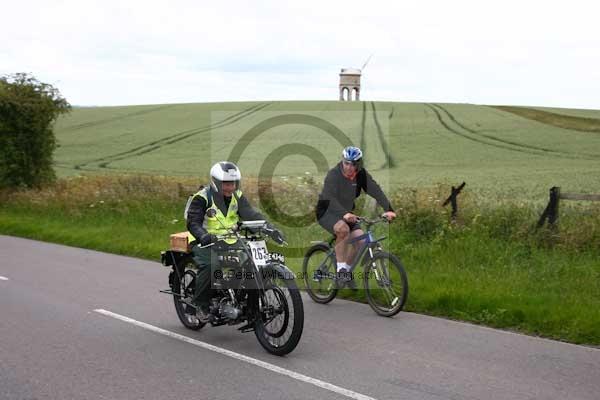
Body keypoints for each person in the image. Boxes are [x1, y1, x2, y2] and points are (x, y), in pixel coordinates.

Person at [186, 161, 285, 321]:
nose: (230, 187)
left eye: (233, 183)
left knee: (251, 263)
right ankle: (200, 304)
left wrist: (270, 229)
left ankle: (243, 301)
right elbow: (193, 222)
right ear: (216, 182)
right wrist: (203, 235)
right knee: (213, 265)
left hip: (231, 240)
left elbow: (251, 215)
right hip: (204, 241)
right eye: (226, 183)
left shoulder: (237, 196)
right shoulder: (202, 198)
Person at [315, 146, 396, 285]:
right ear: (342, 161)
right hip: (326, 211)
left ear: (358, 164)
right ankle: (340, 270)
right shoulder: (333, 175)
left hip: (346, 213)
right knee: (343, 230)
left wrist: (389, 209)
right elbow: (329, 198)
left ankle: (346, 271)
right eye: (346, 163)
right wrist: (344, 214)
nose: (349, 167)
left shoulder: (361, 175)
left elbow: (375, 190)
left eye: (353, 164)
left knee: (361, 241)